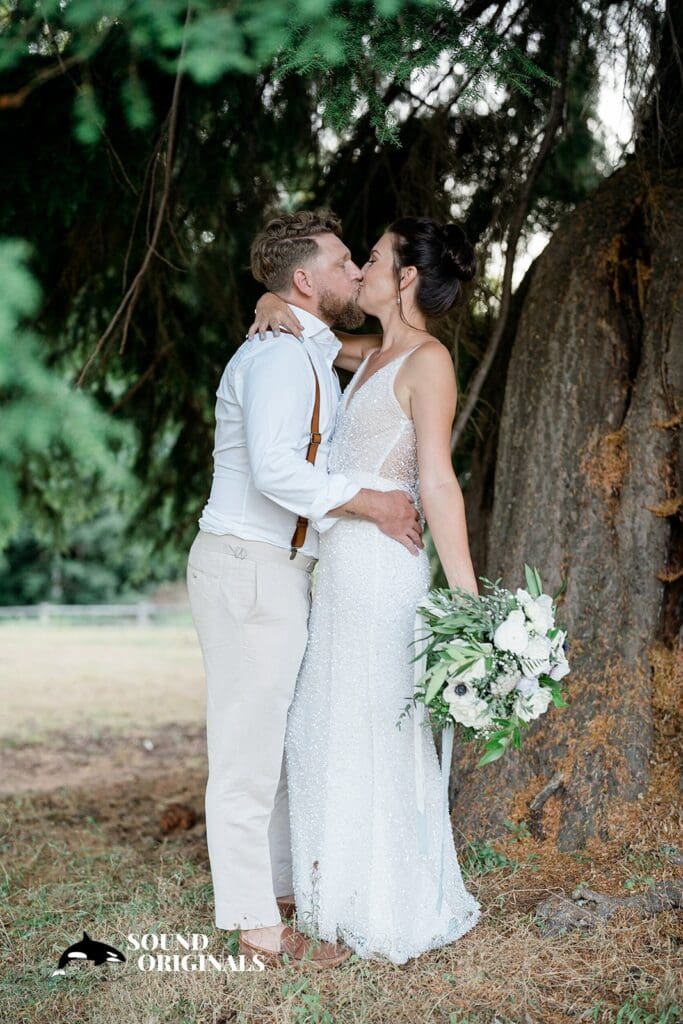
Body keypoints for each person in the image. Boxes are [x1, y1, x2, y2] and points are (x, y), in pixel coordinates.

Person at [186, 209, 424, 969]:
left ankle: (279, 891)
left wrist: (265, 303)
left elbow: (378, 360)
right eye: (344, 260)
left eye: (362, 259)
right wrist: (374, 499)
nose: (356, 271)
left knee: (276, 744)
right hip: (249, 566)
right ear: (304, 279)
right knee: (247, 754)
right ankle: (259, 933)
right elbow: (276, 469)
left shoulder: (306, 345)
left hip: (277, 571)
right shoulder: (280, 359)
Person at [249, 215, 482, 964]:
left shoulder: (428, 362)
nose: (364, 269)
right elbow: (312, 338)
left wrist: (468, 600)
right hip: (340, 569)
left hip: (384, 572)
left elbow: (437, 483)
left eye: (374, 258)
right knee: (328, 723)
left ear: (405, 277)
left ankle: (386, 901)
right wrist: (269, 305)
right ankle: (333, 891)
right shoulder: (372, 353)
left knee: (378, 727)